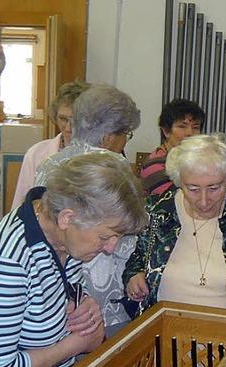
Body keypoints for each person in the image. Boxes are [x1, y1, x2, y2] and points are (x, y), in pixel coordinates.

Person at [0, 151, 148, 367]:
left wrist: (84, 302)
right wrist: (75, 345)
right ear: (66, 217)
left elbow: (58, 292)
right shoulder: (5, 261)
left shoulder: (64, 241)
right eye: (106, 236)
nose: (111, 248)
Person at [124, 133, 226, 316]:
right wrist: (134, 274)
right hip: (165, 329)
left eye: (214, 188)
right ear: (178, 182)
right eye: (193, 189)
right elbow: (137, 256)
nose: (204, 201)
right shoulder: (157, 210)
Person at [35, 83, 142, 334]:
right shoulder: (113, 165)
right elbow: (126, 238)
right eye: (126, 133)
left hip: (56, 288)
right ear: (109, 135)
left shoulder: (49, 163)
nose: (125, 140)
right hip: (101, 301)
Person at [11, 80, 90, 209]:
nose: (68, 128)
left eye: (76, 120)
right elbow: (20, 205)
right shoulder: (36, 153)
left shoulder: (99, 156)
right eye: (63, 119)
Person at [140, 98, 205, 195]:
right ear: (166, 131)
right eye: (182, 126)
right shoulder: (154, 165)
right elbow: (178, 201)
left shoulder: (196, 159)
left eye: (195, 127)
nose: (190, 133)